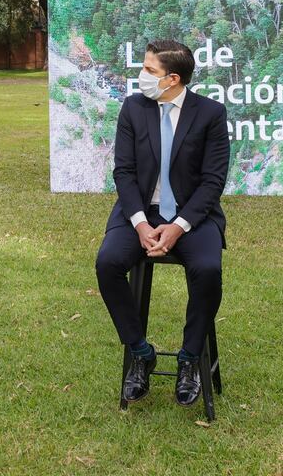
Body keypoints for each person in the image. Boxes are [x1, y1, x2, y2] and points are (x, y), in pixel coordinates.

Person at [95, 40, 230, 407]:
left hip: (192, 216)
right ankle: (140, 352)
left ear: (172, 78)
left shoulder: (211, 114)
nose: (142, 76)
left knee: (207, 269)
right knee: (107, 263)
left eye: (149, 70)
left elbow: (213, 182)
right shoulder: (133, 109)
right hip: (140, 211)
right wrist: (140, 224)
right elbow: (123, 172)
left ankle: (189, 361)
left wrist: (179, 225)